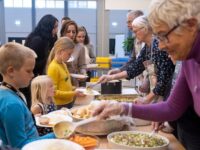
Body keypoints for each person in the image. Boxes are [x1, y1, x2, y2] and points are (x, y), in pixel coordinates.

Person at [93, 0, 200, 149]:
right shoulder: (188, 60)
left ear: (191, 25)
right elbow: (171, 108)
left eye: (163, 36)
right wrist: (121, 108)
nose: (161, 45)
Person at [98, 16, 175, 104]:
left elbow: (164, 79)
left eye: (135, 31)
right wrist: (110, 77)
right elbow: (135, 67)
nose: (134, 35)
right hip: (156, 91)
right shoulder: (147, 47)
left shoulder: (159, 45)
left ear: (145, 29)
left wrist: (146, 99)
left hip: (167, 94)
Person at [0, 43, 55, 149]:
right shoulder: (11, 104)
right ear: (11, 71)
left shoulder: (7, 93)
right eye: (28, 71)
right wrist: (55, 135)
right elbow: (20, 146)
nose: (33, 75)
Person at [21, 14, 59, 109]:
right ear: (48, 27)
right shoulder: (37, 40)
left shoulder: (47, 39)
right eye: (55, 27)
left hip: (38, 76)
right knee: (35, 105)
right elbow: (31, 62)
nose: (56, 30)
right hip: (32, 77)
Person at [46, 37, 85, 109]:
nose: (70, 56)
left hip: (68, 102)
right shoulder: (53, 67)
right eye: (69, 54)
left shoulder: (63, 64)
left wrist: (76, 88)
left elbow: (65, 84)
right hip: (60, 105)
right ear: (61, 52)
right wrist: (73, 93)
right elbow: (54, 92)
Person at [109, 10, 144, 75]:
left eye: (129, 22)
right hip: (141, 79)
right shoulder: (136, 38)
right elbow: (133, 59)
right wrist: (120, 70)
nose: (127, 25)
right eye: (127, 22)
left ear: (139, 20)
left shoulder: (152, 40)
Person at [60, 20, 87, 86]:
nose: (71, 34)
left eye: (74, 32)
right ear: (63, 32)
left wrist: (83, 74)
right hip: (60, 81)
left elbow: (82, 66)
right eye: (68, 32)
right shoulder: (58, 46)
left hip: (73, 83)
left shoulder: (80, 47)